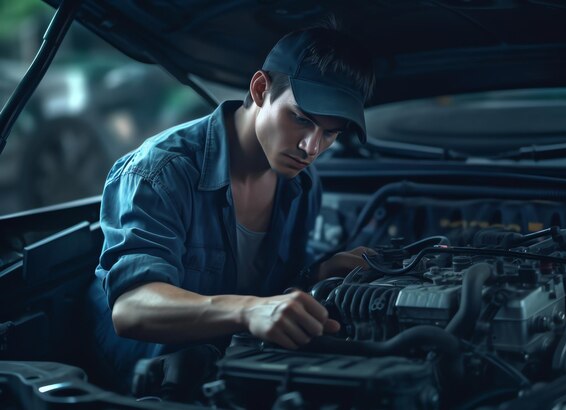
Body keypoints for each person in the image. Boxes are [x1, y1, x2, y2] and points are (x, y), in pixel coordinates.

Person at [86, 20, 376, 394]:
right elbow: (132, 308)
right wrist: (249, 309)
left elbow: (272, 293)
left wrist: (317, 273)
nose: (312, 148)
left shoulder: (303, 185)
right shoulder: (160, 171)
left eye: (331, 133)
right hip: (146, 387)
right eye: (301, 119)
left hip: (234, 374)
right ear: (260, 89)